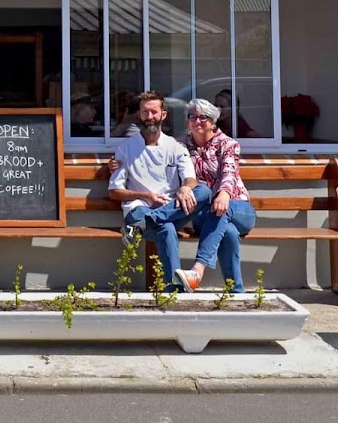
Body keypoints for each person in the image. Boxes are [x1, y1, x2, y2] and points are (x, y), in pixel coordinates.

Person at [108, 91, 212, 288]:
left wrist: (185, 188)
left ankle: (143, 225)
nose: (150, 117)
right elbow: (115, 192)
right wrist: (146, 196)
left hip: (170, 207)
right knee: (167, 227)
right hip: (139, 209)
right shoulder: (125, 149)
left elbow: (191, 179)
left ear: (163, 115)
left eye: (154, 112)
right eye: (145, 112)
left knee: (204, 192)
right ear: (139, 115)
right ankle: (175, 290)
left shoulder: (175, 147)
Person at [173, 97, 257, 292]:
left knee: (222, 210)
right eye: (192, 117)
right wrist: (118, 163)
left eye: (203, 117)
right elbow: (158, 156)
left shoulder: (228, 144)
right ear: (187, 122)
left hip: (238, 208)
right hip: (206, 214)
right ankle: (236, 291)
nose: (197, 121)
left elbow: (229, 172)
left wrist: (224, 194)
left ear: (213, 122)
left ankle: (198, 269)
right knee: (227, 231)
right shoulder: (180, 146)